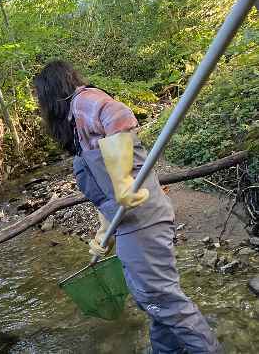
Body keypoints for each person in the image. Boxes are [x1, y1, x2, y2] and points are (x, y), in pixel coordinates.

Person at [33, 59, 222, 354]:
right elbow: (104, 193)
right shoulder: (77, 128)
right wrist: (103, 231)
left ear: (52, 92)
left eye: (39, 99)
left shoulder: (83, 101)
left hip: (144, 220)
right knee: (152, 298)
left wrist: (122, 178)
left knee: (164, 300)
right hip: (129, 226)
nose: (39, 106)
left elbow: (118, 116)